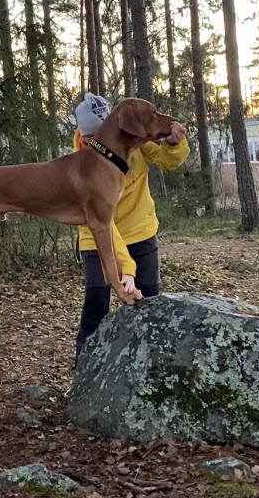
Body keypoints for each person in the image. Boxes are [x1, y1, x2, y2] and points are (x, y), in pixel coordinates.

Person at [72, 94, 188, 363]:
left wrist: (173, 144)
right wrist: (125, 270)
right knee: (96, 301)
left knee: (149, 299)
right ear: (85, 136)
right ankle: (84, 370)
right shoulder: (81, 161)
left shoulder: (133, 141)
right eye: (95, 135)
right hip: (97, 237)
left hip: (140, 230)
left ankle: (150, 367)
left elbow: (168, 161)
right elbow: (103, 224)